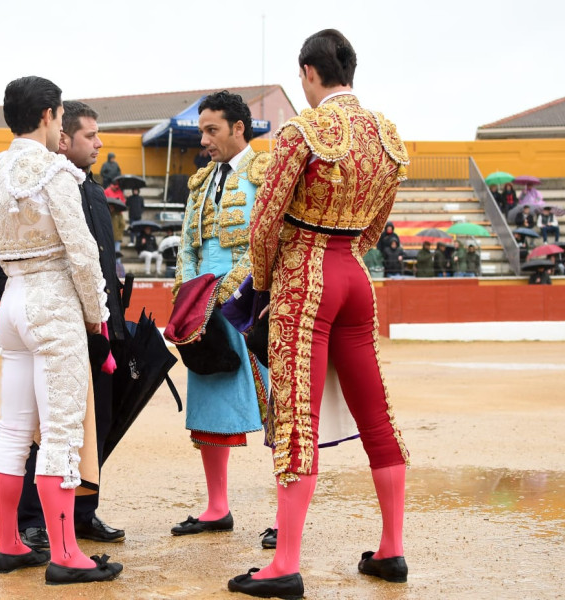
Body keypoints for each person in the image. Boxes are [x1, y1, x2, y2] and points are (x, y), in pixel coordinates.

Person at [238, 30, 410, 599]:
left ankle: (284, 563)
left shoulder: (304, 131)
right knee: (377, 416)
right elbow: (377, 224)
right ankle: (391, 551)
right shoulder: (387, 136)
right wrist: (348, 255)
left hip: (304, 276)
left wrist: (261, 291)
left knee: (296, 419)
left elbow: (265, 225)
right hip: (355, 277)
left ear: (309, 72)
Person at [0, 76, 121, 584]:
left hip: (11, 303)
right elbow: (82, 255)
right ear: (50, 115)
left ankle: (9, 543)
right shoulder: (55, 171)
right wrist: (97, 319)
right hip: (53, 306)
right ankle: (65, 553)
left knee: (12, 429)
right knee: (61, 432)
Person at [14, 100, 128, 555]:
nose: (99, 144)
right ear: (64, 139)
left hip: (98, 327)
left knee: (94, 427)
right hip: (59, 323)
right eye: (90, 136)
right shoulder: (41, 187)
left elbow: (103, 264)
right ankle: (32, 520)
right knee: (42, 428)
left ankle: (82, 512)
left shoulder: (94, 191)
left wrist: (111, 327)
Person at [171, 90, 271, 546]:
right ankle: (217, 507)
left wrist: (224, 292)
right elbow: (188, 248)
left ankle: (286, 514)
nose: (205, 140)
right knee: (209, 399)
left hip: (252, 306)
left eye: (212, 130)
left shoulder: (266, 173)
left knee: (280, 408)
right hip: (205, 310)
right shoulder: (200, 182)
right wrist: (192, 297)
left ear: (238, 128)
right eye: (201, 130)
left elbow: (267, 242)